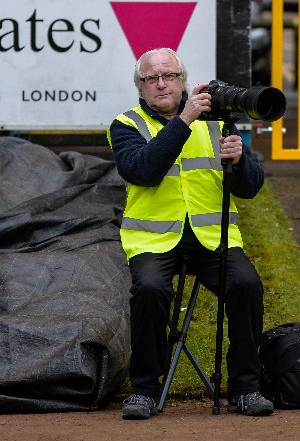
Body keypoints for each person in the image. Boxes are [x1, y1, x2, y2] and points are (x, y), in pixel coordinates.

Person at [107, 47, 274, 420]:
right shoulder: (127, 124)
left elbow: (249, 188)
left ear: (183, 81)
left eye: (169, 76)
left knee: (247, 284)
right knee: (150, 290)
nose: (162, 84)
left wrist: (240, 160)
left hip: (212, 237)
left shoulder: (216, 121)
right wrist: (184, 119)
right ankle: (145, 391)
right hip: (153, 240)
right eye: (152, 78)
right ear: (141, 87)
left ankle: (246, 388)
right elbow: (143, 171)